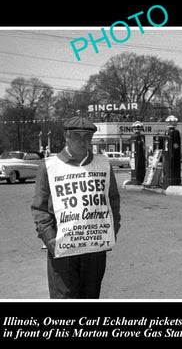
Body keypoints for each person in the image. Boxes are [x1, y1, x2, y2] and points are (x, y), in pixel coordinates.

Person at [31, 116, 121, 299]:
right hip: (62, 248)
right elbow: (39, 208)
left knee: (91, 295)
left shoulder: (103, 164)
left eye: (87, 137)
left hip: (94, 250)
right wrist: (50, 239)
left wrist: (112, 230)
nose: (83, 141)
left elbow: (113, 201)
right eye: (77, 136)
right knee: (64, 297)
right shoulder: (49, 166)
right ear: (67, 137)